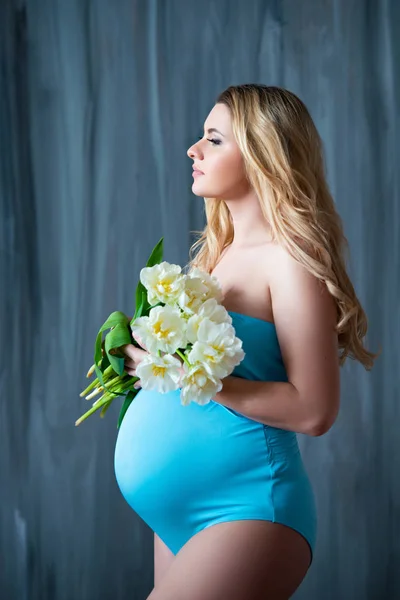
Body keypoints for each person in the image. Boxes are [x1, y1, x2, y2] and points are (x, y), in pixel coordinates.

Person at [114, 84, 380, 600]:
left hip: (247, 506)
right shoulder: (215, 255)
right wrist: (146, 362)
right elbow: (193, 373)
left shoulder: (290, 259)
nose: (194, 149)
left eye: (214, 139)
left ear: (263, 154)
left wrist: (201, 378)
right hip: (179, 518)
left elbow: (315, 411)